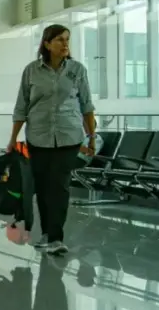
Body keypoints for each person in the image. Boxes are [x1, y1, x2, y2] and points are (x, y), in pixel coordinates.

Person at [8, 24, 96, 256]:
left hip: (69, 136)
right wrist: (12, 140)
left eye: (67, 39)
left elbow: (86, 106)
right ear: (46, 44)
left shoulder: (77, 70)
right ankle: (47, 234)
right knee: (43, 188)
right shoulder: (31, 71)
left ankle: (56, 237)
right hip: (38, 136)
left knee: (59, 186)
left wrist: (92, 137)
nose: (65, 43)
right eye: (59, 39)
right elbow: (21, 107)